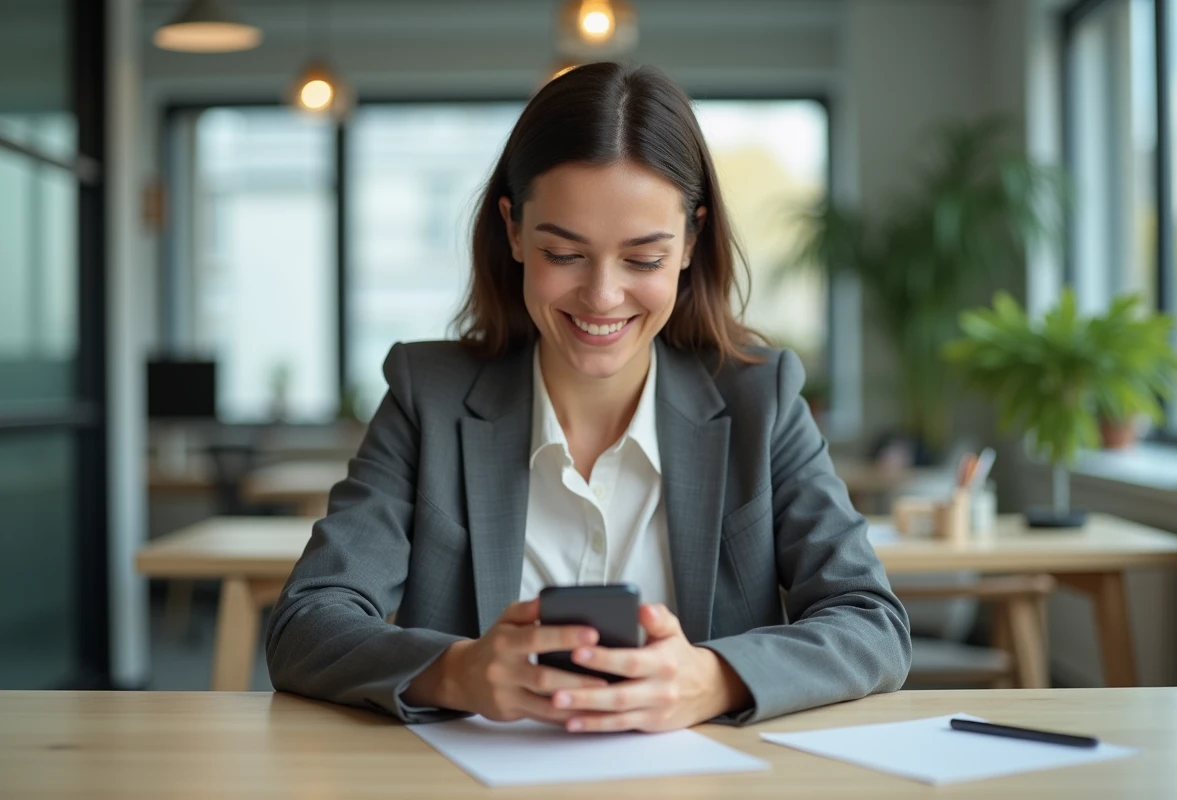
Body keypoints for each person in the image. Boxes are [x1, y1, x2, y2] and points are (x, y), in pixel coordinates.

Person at [265, 62, 910, 732]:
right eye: (564, 254)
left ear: (690, 241)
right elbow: (306, 622)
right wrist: (458, 672)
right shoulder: (428, 398)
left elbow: (872, 622)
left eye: (644, 259)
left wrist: (713, 679)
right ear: (514, 231)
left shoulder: (760, 400)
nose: (602, 297)